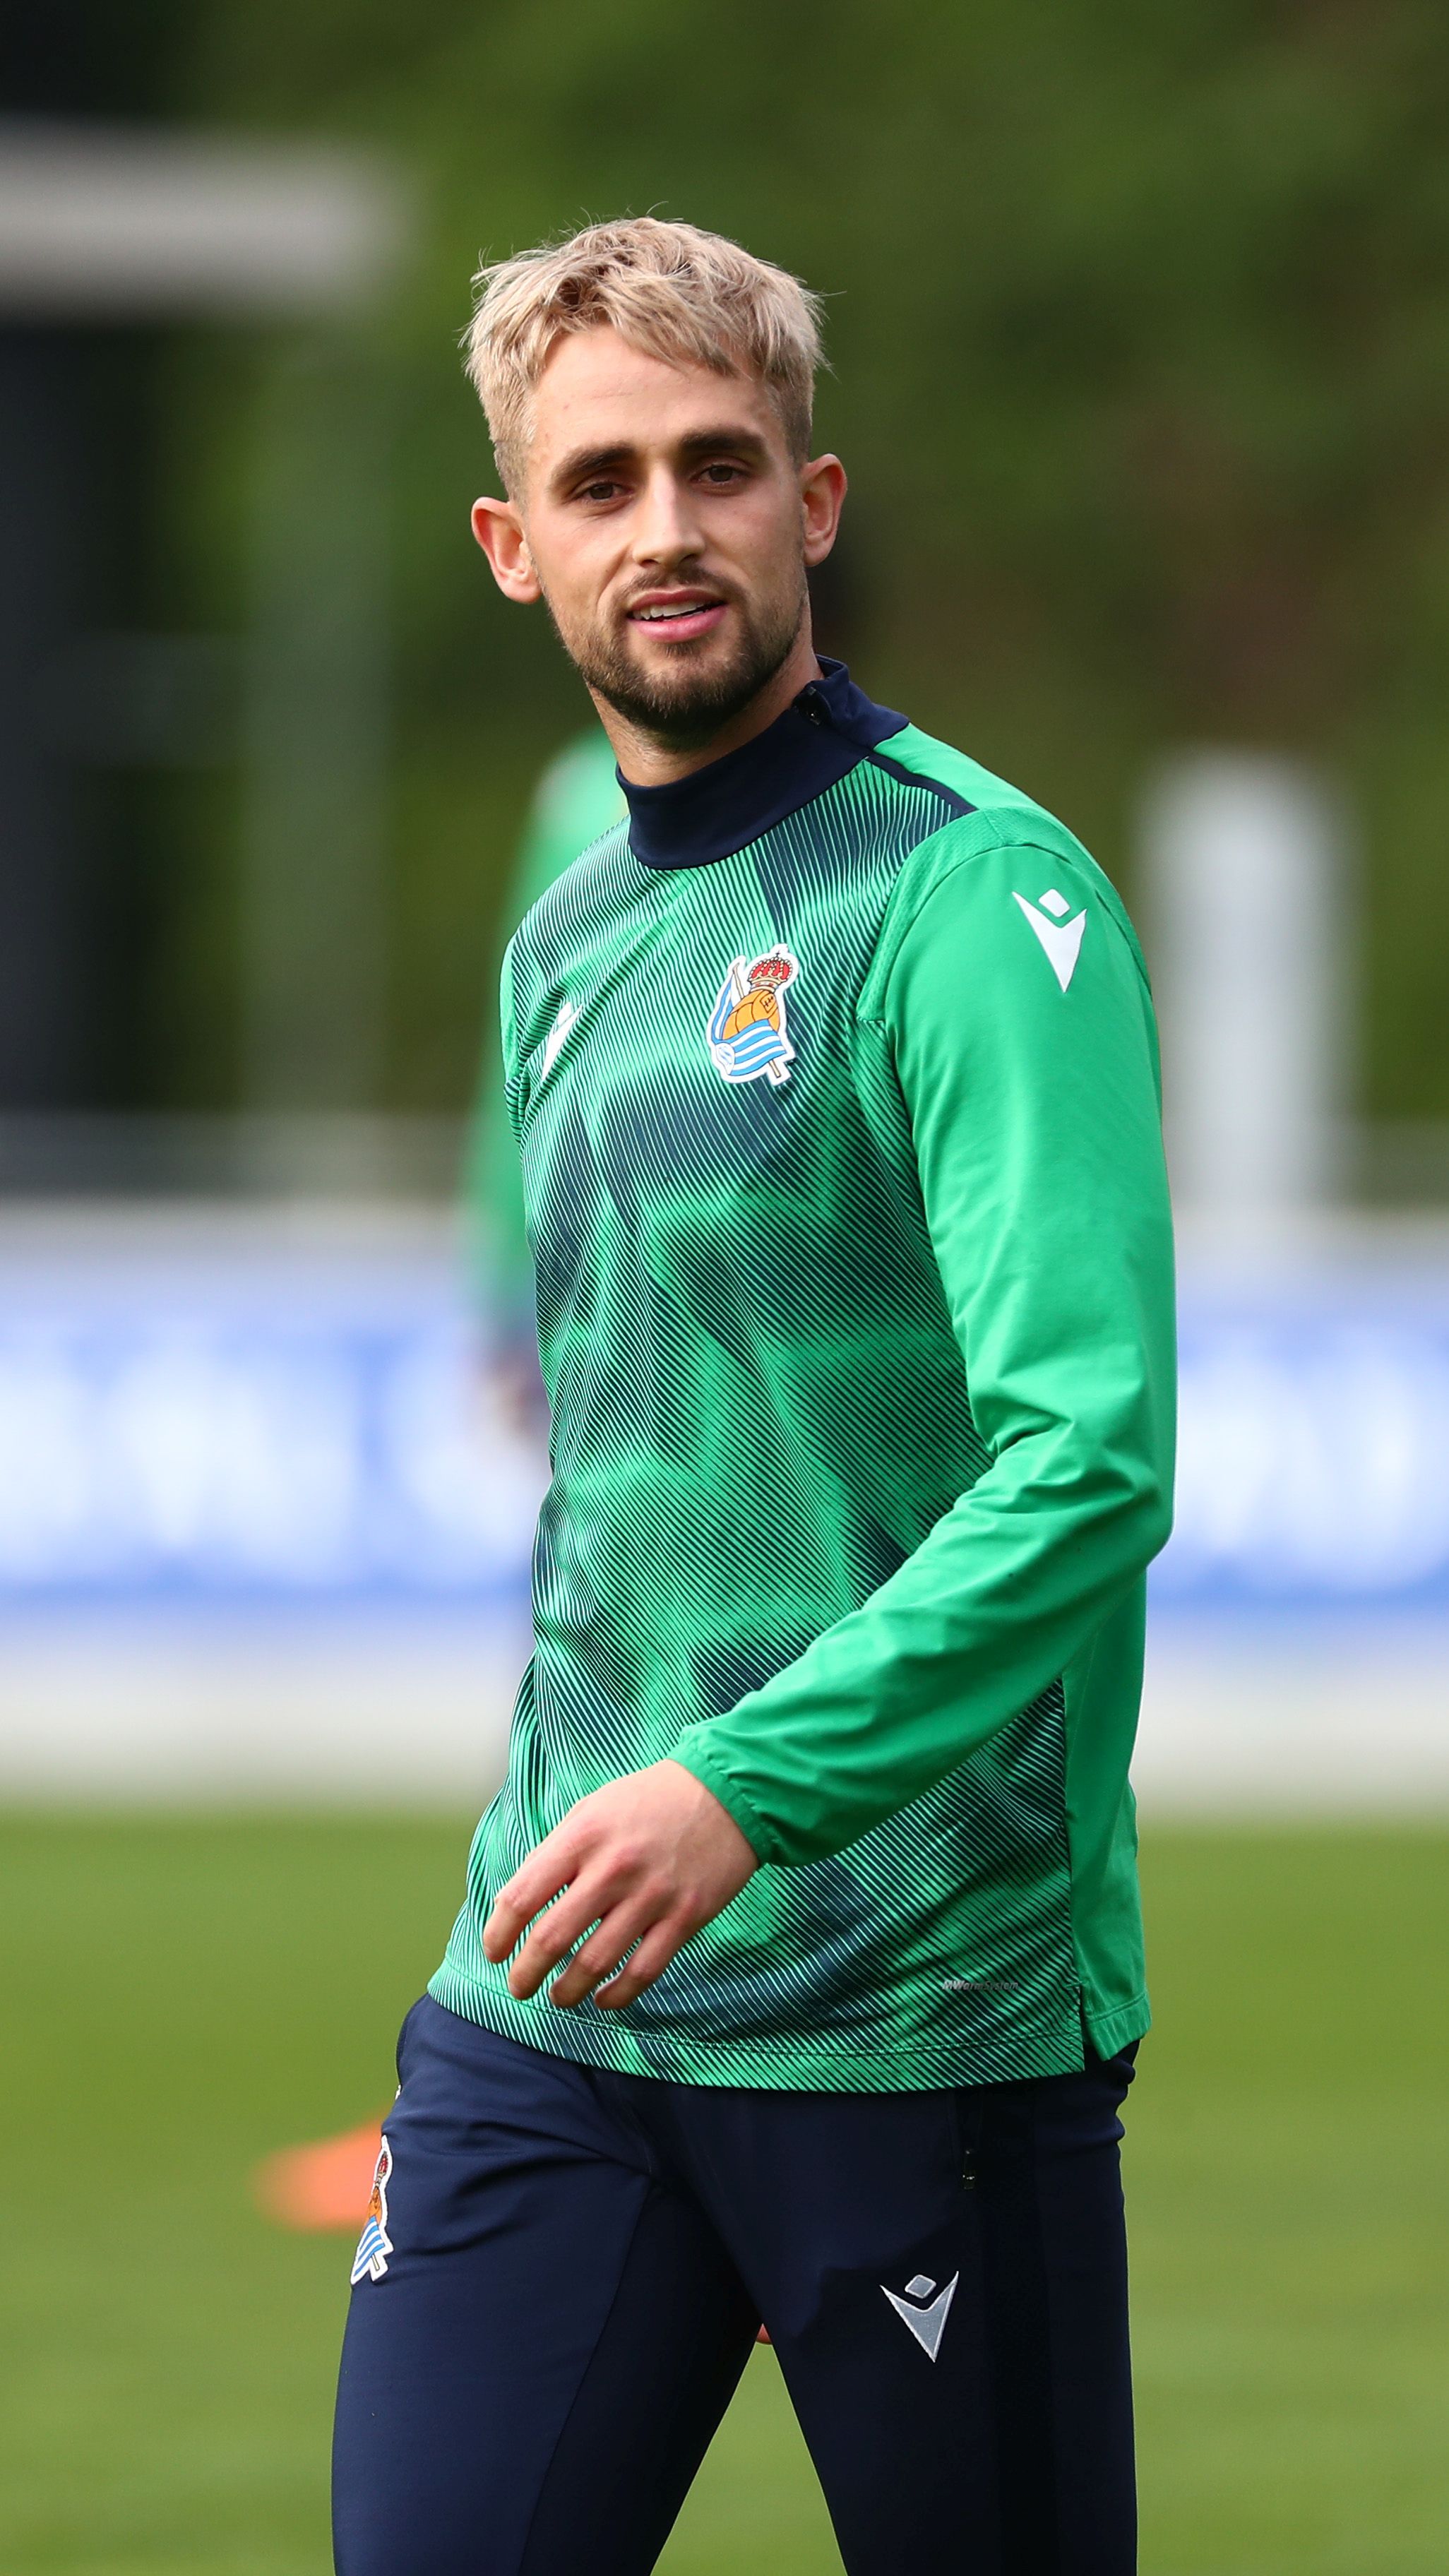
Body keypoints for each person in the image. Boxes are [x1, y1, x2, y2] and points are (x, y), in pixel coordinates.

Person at [331, 216, 1176, 2576]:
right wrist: (611, 1812)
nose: (665, 527)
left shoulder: (974, 906)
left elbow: (1087, 1463)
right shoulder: (571, 931)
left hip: (918, 2008)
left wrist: (745, 1789)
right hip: (553, 1997)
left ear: (812, 503)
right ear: (516, 549)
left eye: (720, 465)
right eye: (599, 483)